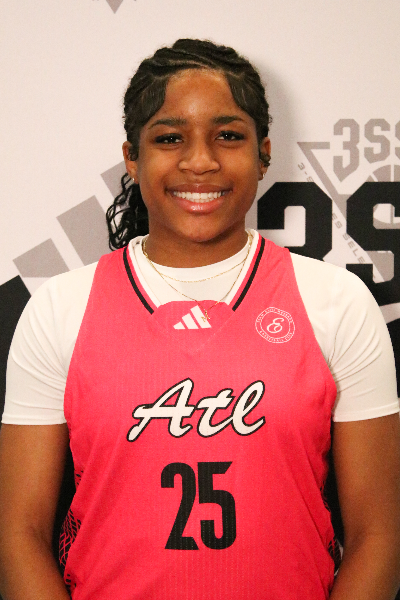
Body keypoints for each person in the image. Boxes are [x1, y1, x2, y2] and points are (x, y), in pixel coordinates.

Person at [0, 38, 400, 600]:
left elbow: (379, 536)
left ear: (263, 153)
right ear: (132, 157)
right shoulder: (61, 308)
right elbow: (17, 536)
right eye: (170, 138)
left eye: (228, 136)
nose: (200, 161)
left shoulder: (336, 301)